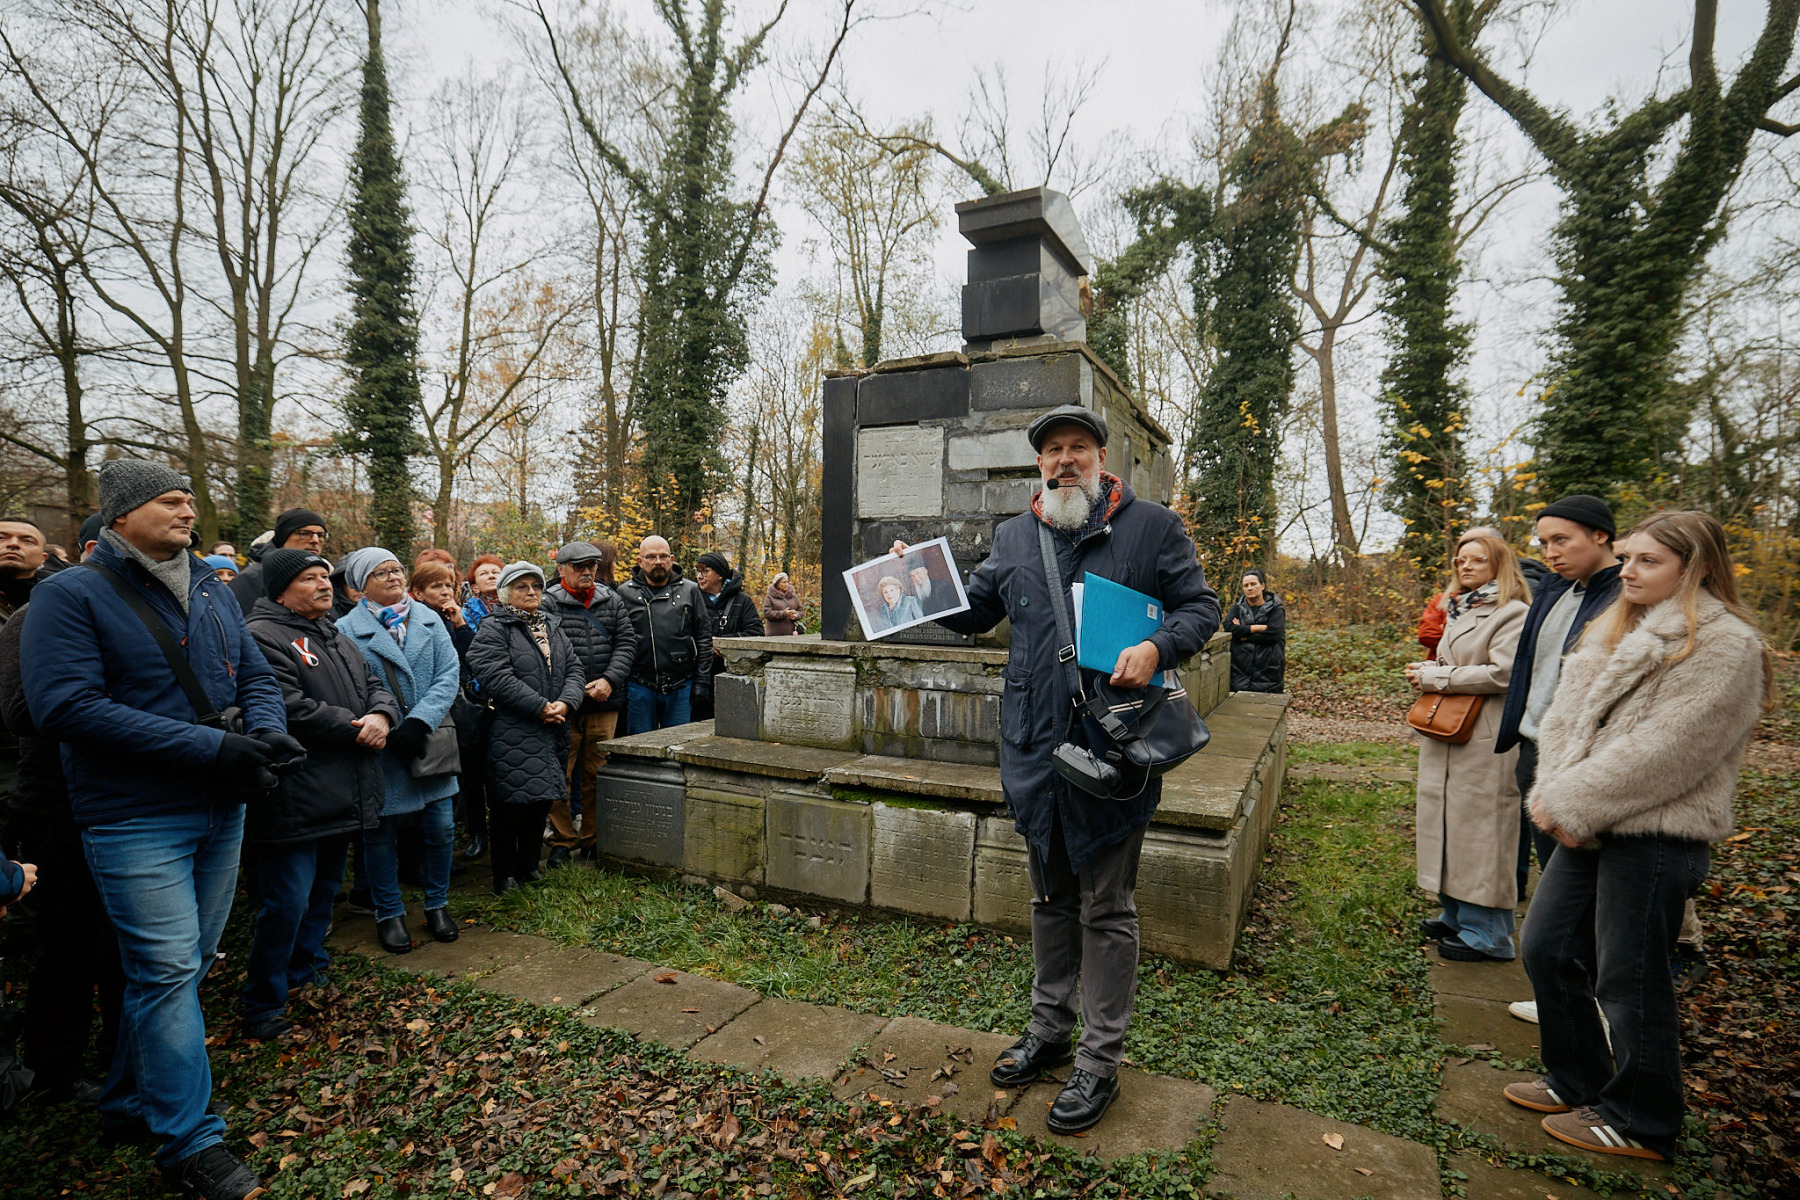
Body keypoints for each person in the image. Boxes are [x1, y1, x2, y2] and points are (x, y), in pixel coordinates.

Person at [891, 404, 1219, 1135]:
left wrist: (1160, 647)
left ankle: (1099, 1063)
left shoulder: (1152, 527)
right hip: (1035, 752)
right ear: (1038, 464)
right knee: (1048, 897)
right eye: (1052, 451)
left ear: (1103, 459)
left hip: (1114, 749)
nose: (1064, 460)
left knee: (1106, 907)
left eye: (1078, 448)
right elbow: (978, 612)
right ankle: (1050, 1030)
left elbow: (1200, 606)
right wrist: (917, 580)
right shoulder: (1013, 535)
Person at [20, 459, 299, 1200]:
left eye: (187, 499)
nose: (185, 510)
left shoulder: (211, 586)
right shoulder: (71, 594)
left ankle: (124, 1102)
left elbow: (256, 678)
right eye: (168, 501)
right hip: (134, 815)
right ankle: (190, 1144)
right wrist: (212, 746)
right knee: (168, 970)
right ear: (121, 515)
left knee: (190, 961)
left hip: (222, 805)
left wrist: (267, 733)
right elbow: (65, 708)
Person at [1513, 510, 1772, 1163]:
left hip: (1655, 833)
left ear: (1700, 568)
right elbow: (1567, 725)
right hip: (1589, 824)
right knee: (1546, 947)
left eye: (1649, 561)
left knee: (1628, 979)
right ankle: (1578, 1080)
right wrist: (1555, 795)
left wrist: (1569, 800)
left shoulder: (1726, 644)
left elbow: (1670, 751)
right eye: (1627, 558)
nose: (1628, 570)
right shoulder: (1616, 629)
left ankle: (1643, 1117)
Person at [241, 551, 400, 1040]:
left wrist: (382, 716)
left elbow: (375, 683)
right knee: (286, 900)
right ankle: (263, 1003)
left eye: (324, 578)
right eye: (308, 579)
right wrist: (356, 728)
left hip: (342, 791)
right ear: (280, 590)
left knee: (323, 893)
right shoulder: (263, 637)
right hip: (296, 792)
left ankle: (306, 972)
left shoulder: (335, 633)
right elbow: (284, 705)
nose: (323, 586)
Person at [1490, 495, 1623, 1023]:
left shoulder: (1623, 597)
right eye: (1543, 542)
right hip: (1534, 747)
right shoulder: (1554, 591)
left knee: (1590, 893)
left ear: (1601, 537)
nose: (1550, 551)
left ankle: (1597, 1006)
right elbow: (1530, 664)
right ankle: (1566, 997)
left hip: (1579, 759)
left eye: (1561, 540)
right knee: (1554, 874)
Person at [1, 598, 125, 1108]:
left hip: (136, 805)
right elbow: (21, 709)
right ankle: (56, 1069)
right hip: (61, 808)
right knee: (70, 945)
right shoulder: (36, 616)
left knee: (127, 949)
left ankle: (125, 1057)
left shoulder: (145, 612)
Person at [1408, 532, 1530, 963]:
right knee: (1448, 820)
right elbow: (1458, 662)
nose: (1466, 566)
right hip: (1450, 731)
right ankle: (1456, 912)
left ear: (1500, 564)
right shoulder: (1462, 607)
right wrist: (1432, 668)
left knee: (1481, 829)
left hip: (1485, 734)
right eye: (1461, 560)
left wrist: (1437, 678)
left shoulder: (1512, 613)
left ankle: (1491, 933)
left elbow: (1504, 673)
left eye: (1478, 560)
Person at [336, 548, 462, 954]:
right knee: (381, 834)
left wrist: (420, 721)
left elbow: (449, 673)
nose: (393, 577)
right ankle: (388, 913)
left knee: (441, 828)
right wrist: (387, 723)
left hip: (428, 740)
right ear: (359, 584)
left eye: (396, 569)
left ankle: (437, 905)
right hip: (382, 745)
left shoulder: (429, 618)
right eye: (380, 572)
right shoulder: (344, 630)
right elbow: (350, 686)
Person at [464, 561, 585, 893]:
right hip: (511, 729)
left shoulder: (553, 626)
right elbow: (494, 676)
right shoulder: (493, 628)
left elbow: (575, 669)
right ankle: (505, 875)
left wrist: (565, 703)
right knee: (509, 804)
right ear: (505, 593)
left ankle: (529, 866)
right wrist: (540, 707)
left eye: (536, 586)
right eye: (522, 587)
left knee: (540, 801)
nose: (531, 592)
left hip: (553, 728)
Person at [543, 542, 637, 866]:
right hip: (562, 705)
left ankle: (592, 839)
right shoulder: (546, 603)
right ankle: (562, 839)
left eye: (592, 566)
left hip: (603, 702)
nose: (587, 572)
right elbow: (544, 651)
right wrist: (565, 693)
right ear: (561, 569)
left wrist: (610, 680)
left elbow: (627, 642)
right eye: (579, 566)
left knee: (598, 773)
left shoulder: (612, 600)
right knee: (560, 773)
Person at [617, 536, 711, 734]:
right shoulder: (625, 593)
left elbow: (703, 638)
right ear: (640, 562)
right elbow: (619, 641)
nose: (658, 562)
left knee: (678, 747)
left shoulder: (690, 590)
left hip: (681, 685)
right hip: (639, 685)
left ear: (672, 558)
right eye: (651, 557)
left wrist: (702, 682)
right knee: (641, 748)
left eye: (663, 556)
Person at [691, 550, 763, 723]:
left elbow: (756, 633)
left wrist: (724, 645)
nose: (700, 576)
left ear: (720, 574)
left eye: (705, 571)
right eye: (698, 571)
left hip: (733, 677)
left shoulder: (742, 600)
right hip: (699, 677)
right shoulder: (692, 597)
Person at [229, 508, 328, 615]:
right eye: (304, 534)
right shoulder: (252, 578)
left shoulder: (325, 575)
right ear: (283, 538)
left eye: (320, 535)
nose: (315, 540)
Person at [1225, 568, 1286, 693]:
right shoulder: (1237, 609)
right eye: (1245, 585)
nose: (1249, 588)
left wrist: (1243, 634)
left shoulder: (1276, 609)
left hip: (1269, 672)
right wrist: (1257, 628)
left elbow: (1274, 634)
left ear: (1262, 586)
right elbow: (1229, 629)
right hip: (1239, 672)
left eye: (1253, 584)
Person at [0, 515, 57, 622]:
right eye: (1, 538)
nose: (13, 544)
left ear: (43, 558)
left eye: (28, 541)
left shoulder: (63, 599)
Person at [463, 554, 504, 629]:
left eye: (495, 572)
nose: (491, 576)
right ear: (475, 588)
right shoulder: (467, 615)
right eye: (483, 573)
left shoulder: (518, 606)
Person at [763, 571, 802, 635]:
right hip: (774, 635)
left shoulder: (793, 595)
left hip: (791, 635)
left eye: (787, 582)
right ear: (777, 584)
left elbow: (801, 610)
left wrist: (796, 615)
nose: (786, 584)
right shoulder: (769, 596)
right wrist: (783, 613)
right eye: (784, 582)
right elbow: (767, 613)